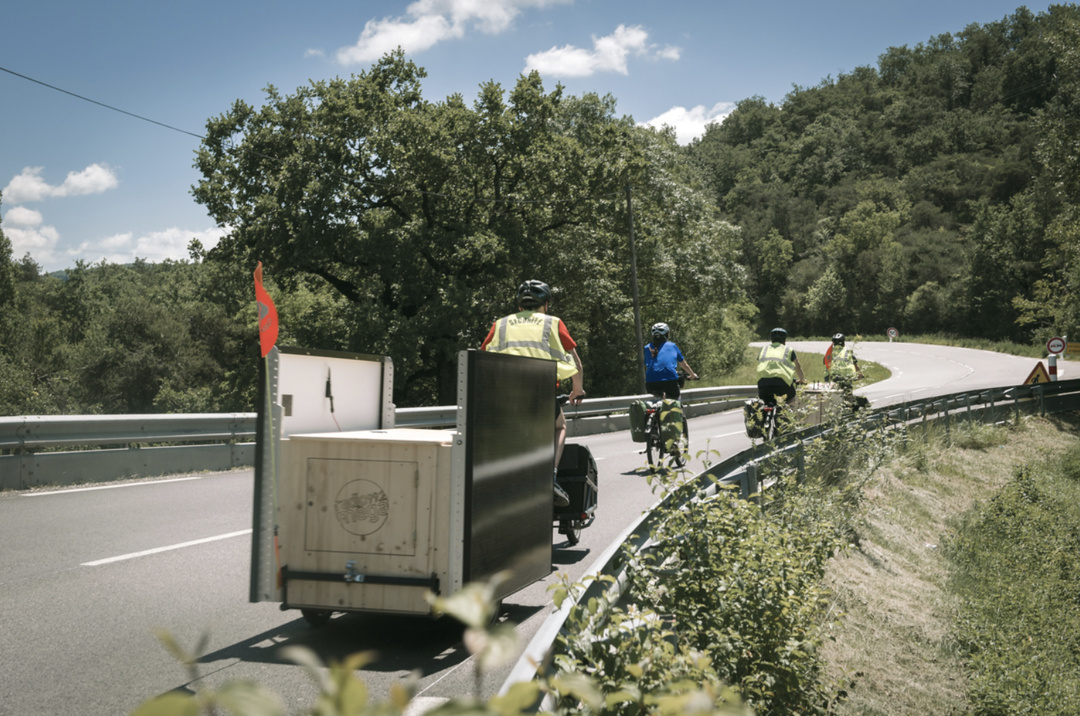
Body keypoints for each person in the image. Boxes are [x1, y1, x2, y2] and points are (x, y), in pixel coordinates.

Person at [481, 280, 585, 507]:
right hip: (540, 390)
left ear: (520, 306)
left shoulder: (500, 324)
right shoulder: (554, 323)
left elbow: (482, 356)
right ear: (545, 305)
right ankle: (551, 476)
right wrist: (577, 389)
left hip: (505, 393)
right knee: (560, 426)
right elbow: (575, 360)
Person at [643, 322, 698, 399]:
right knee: (675, 402)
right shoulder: (672, 346)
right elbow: (684, 365)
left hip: (650, 383)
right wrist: (692, 375)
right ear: (666, 334)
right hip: (669, 381)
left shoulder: (646, 348)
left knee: (655, 402)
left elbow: (648, 365)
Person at [756, 327, 806, 407]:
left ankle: (763, 418)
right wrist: (802, 379)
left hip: (763, 383)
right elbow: (798, 366)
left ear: (771, 339)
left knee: (765, 403)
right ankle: (788, 417)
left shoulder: (763, 349)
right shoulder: (789, 350)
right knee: (791, 400)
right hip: (783, 384)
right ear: (785, 340)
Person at [826, 333, 863, 399]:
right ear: (843, 343)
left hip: (835, 378)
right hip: (847, 378)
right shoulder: (848, 351)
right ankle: (849, 406)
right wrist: (860, 375)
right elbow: (856, 365)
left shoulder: (830, 353)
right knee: (848, 396)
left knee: (834, 396)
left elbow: (826, 365)